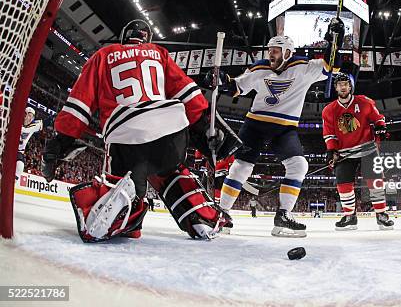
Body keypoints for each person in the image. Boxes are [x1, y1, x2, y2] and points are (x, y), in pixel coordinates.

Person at [42, 19, 239, 242]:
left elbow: (79, 105)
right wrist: (205, 126)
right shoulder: (159, 53)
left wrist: (62, 140)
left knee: (123, 184)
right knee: (171, 170)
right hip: (170, 129)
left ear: (123, 37)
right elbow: (189, 96)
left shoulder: (103, 55)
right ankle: (202, 217)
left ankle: (124, 219)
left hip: (126, 133)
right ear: (147, 40)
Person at [204, 19, 344, 237]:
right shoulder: (260, 68)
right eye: (270, 50)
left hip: (284, 128)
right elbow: (237, 86)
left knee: (299, 166)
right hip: (255, 124)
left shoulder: (304, 68)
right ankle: (221, 213)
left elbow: (332, 65)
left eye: (276, 51)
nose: (271, 54)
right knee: (241, 167)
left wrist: (336, 39)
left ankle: (283, 216)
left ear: (288, 53)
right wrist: (221, 80)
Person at [322, 72, 394, 231]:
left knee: (375, 181)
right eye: (339, 84)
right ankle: (350, 217)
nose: (343, 86)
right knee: (343, 183)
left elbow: (378, 118)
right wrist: (331, 151)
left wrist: (381, 127)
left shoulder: (364, 102)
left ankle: (381, 214)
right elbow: (329, 134)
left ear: (350, 86)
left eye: (345, 84)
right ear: (335, 88)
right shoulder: (329, 110)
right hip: (345, 153)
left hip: (368, 148)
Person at [16, 107, 43, 177]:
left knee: (20, 166)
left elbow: (45, 123)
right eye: (28, 115)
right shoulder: (16, 121)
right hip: (7, 146)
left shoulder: (34, 125)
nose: (29, 118)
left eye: (31, 116)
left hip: (19, 151)